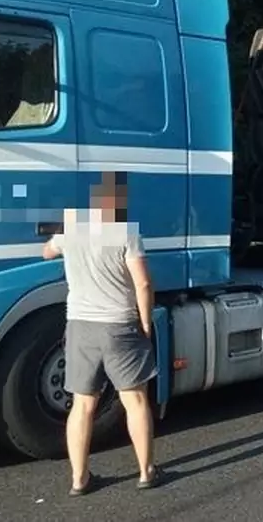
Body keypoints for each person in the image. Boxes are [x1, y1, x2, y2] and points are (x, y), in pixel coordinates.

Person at [42, 172, 162, 495]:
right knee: (135, 400)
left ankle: (79, 480)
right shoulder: (126, 232)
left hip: (80, 326)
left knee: (82, 405)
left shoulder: (72, 228)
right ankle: (146, 472)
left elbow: (46, 252)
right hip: (119, 325)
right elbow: (144, 283)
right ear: (119, 203)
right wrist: (146, 323)